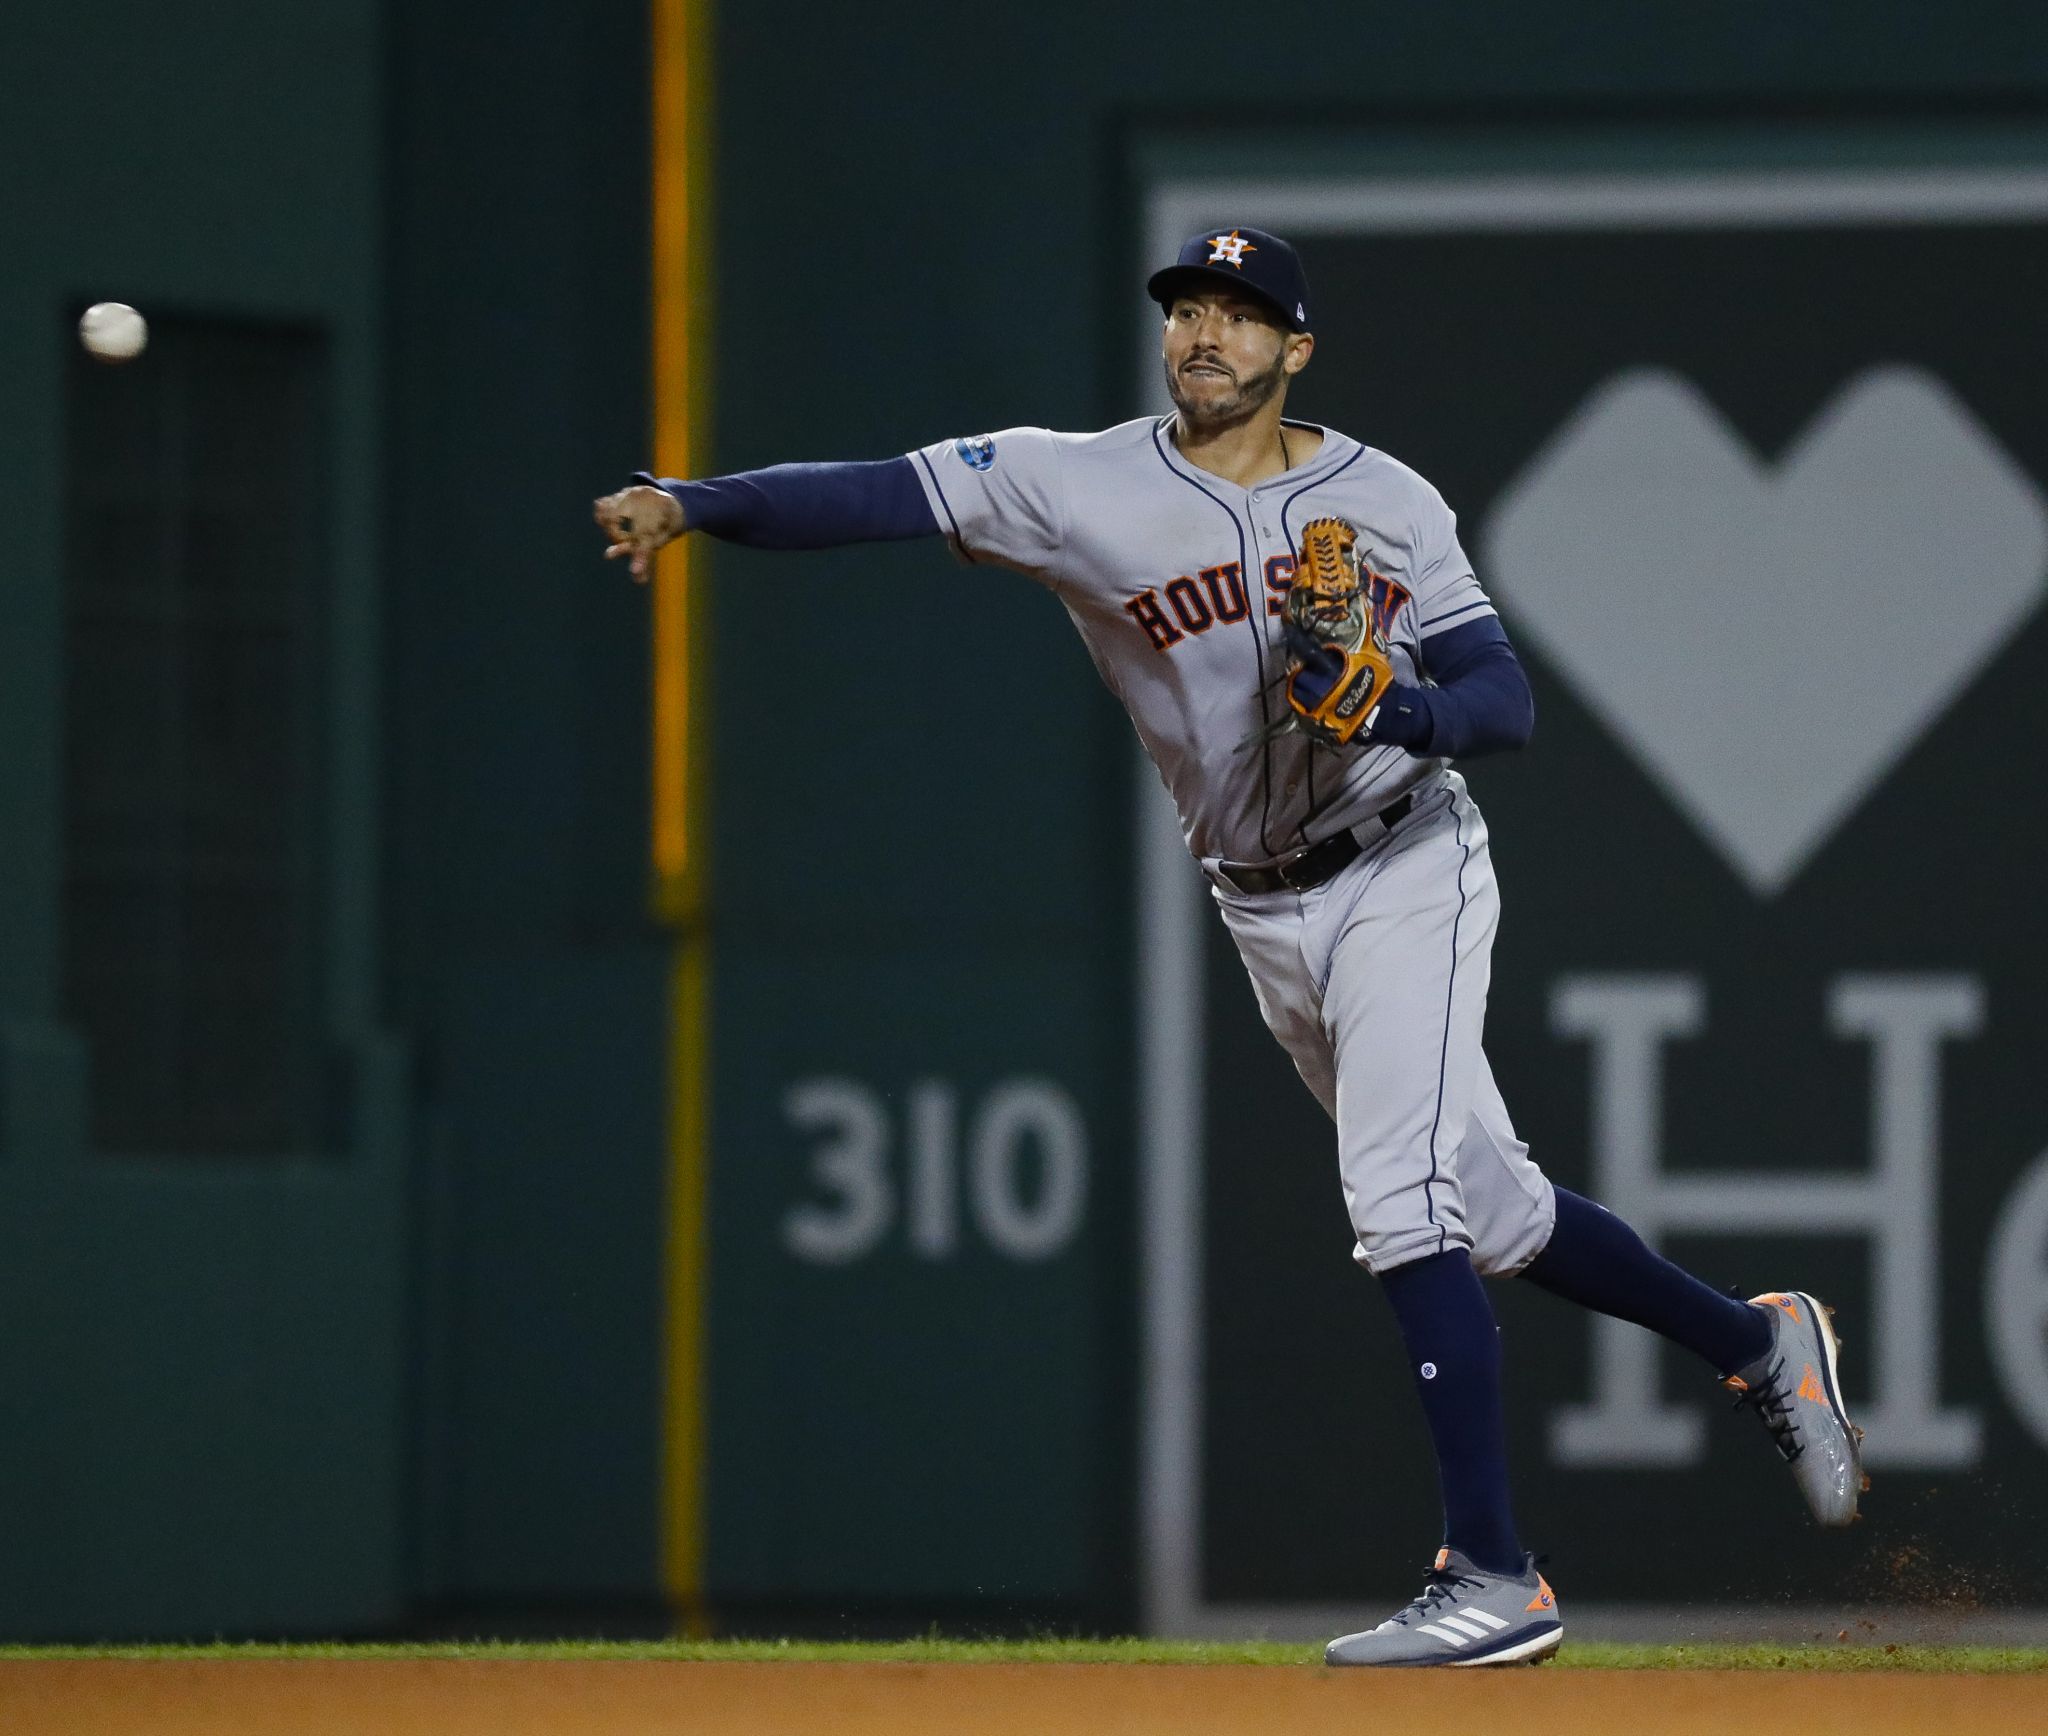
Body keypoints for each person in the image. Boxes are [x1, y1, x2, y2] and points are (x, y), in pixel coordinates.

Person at [594, 225, 1865, 1667]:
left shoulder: (1384, 497)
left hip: (1406, 861)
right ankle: (1763, 1347)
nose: (1206, 333)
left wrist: (1397, 710)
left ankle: (1497, 1574)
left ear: (1296, 349)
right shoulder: (1076, 484)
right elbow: (875, 496)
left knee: (1398, 1198)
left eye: (1242, 314)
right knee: (1492, 1215)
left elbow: (1500, 699)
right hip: (1259, 900)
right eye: (1189, 307)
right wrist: (690, 501)